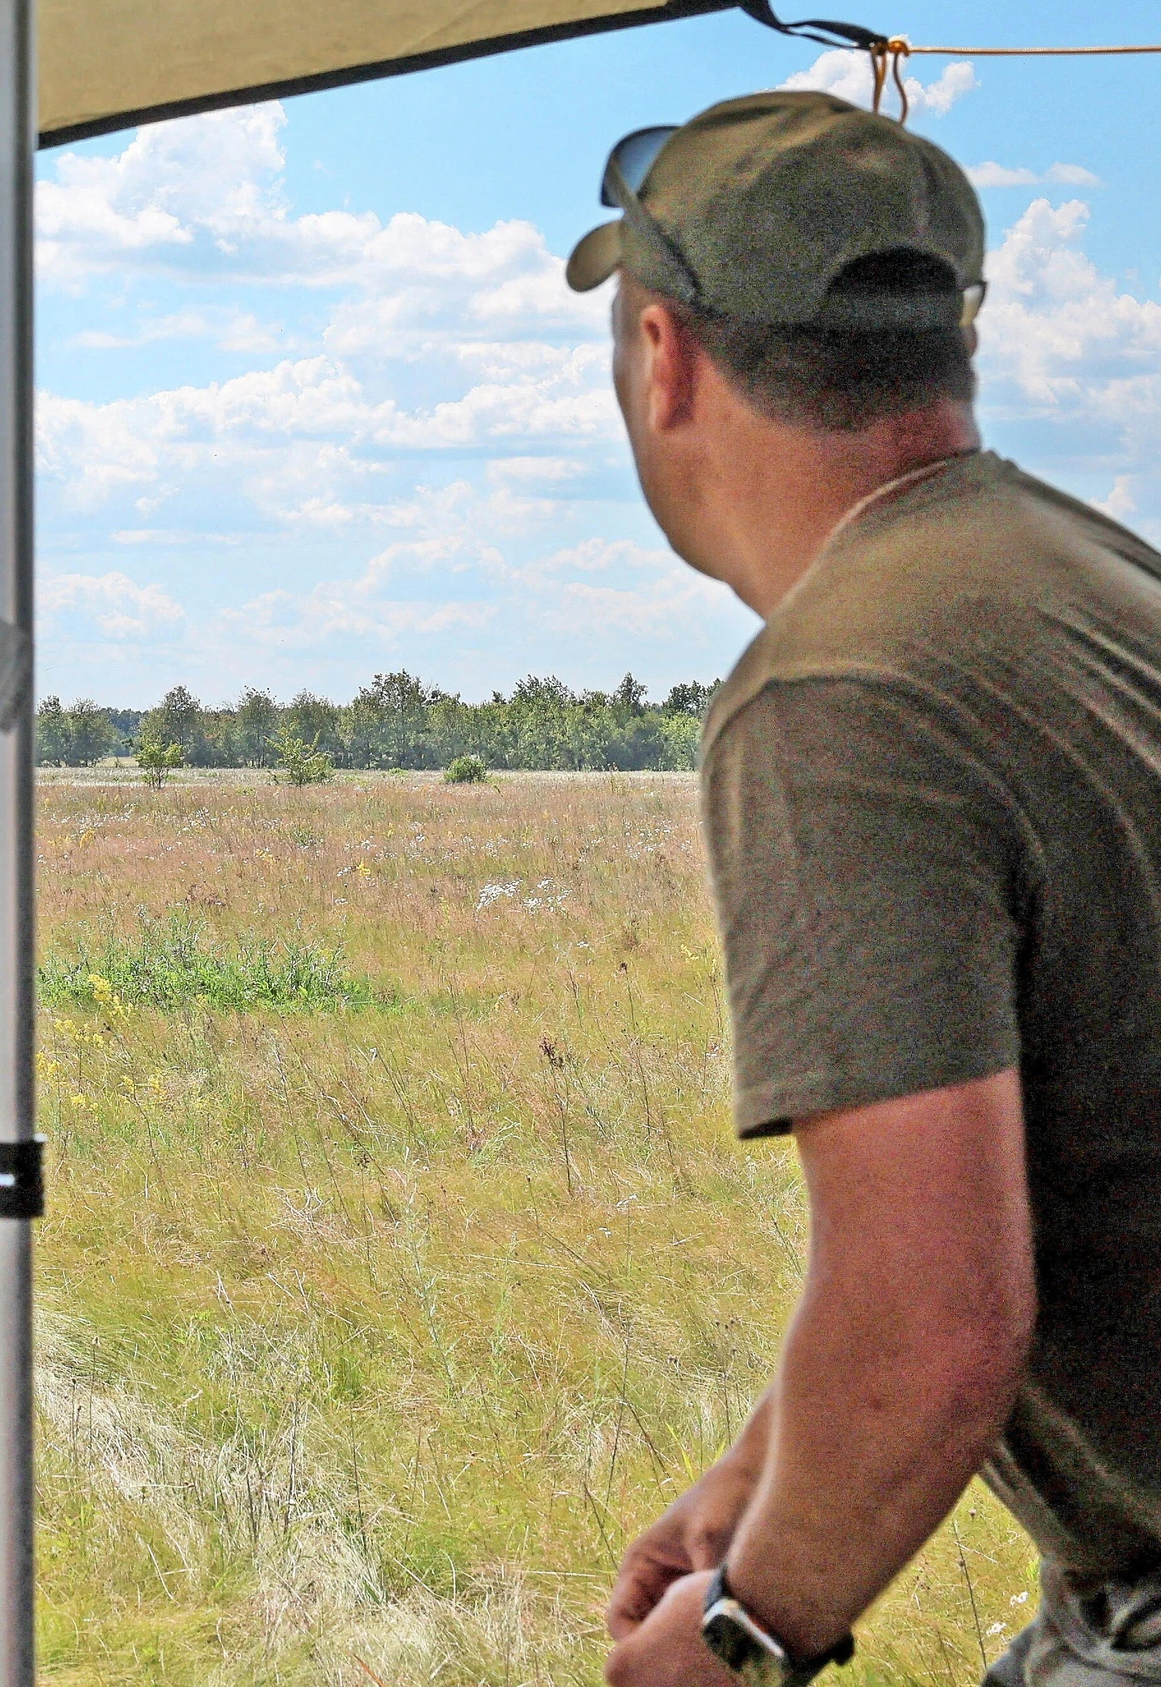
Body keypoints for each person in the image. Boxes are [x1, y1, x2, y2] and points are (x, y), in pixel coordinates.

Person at [573, 90, 1161, 1687]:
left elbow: (937, 1317)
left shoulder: (838, 690)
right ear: (952, 341)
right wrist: (762, 1473)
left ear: (664, 356)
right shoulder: (1092, 574)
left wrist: (749, 1632)